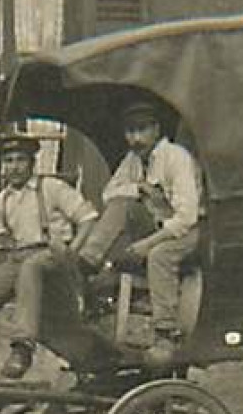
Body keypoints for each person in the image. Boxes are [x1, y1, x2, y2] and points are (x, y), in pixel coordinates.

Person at [0, 131, 99, 380]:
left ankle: (22, 349)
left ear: (32, 163)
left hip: (52, 255)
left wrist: (73, 252)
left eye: (20, 160)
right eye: (9, 160)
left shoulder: (51, 188)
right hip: (18, 257)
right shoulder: (2, 200)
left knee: (30, 267)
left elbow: (87, 217)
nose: (14, 167)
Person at [77, 100, 204, 369]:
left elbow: (187, 217)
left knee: (159, 255)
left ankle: (165, 333)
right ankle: (88, 261)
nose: (135, 138)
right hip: (158, 223)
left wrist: (147, 244)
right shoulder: (134, 160)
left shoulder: (175, 158)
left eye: (142, 130)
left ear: (156, 130)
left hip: (188, 230)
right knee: (121, 204)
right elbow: (109, 192)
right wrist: (140, 189)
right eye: (130, 132)